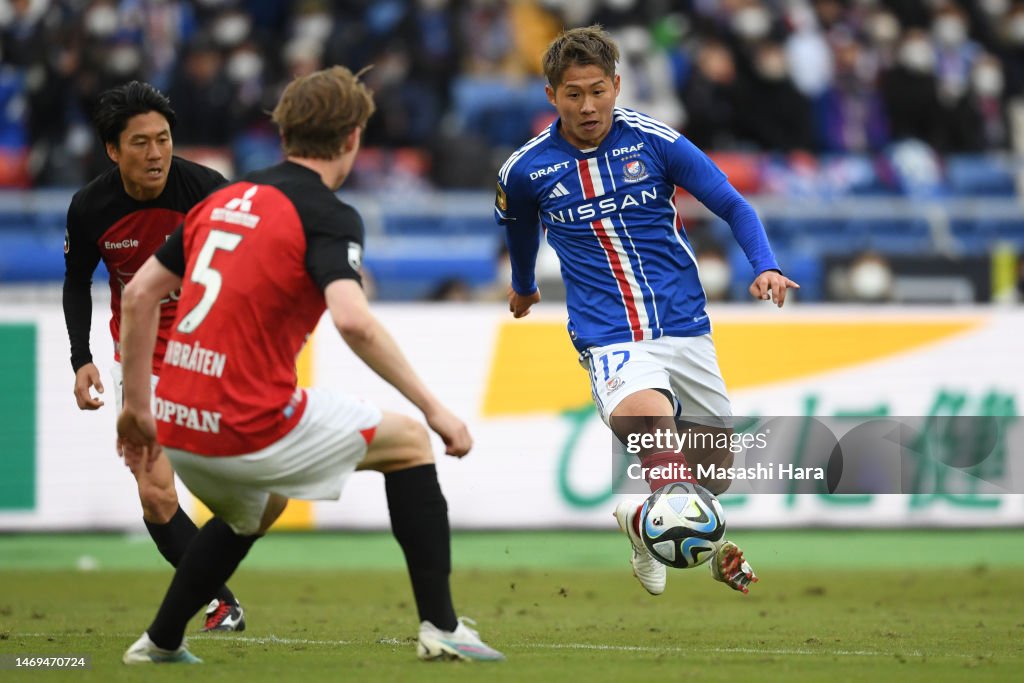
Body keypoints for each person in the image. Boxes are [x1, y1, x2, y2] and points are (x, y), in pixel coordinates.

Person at [115, 65, 504, 664]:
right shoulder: (327, 213)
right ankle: (442, 627)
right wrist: (438, 411)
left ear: (284, 133)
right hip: (241, 419)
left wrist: (136, 409)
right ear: (352, 139)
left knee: (256, 507)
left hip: (176, 420)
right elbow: (352, 320)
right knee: (407, 441)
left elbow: (139, 295)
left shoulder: (224, 198)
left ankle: (160, 641)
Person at [494, 26, 798, 597]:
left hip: (685, 327)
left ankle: (641, 524)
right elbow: (519, 232)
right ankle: (705, 543)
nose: (587, 106)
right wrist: (523, 285)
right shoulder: (525, 171)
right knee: (651, 424)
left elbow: (732, 203)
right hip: (608, 335)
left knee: (715, 474)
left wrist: (765, 264)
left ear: (616, 84)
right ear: (551, 95)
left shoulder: (654, 141)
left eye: (597, 91)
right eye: (573, 94)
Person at [62, 81, 246, 632]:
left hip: (208, 351)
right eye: (140, 142)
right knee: (154, 495)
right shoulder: (91, 207)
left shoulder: (206, 190)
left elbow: (248, 267)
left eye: (163, 139)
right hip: (141, 359)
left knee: (235, 483)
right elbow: (77, 283)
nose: (156, 153)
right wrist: (81, 358)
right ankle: (222, 602)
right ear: (113, 151)